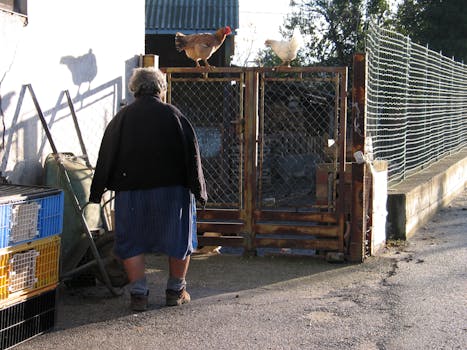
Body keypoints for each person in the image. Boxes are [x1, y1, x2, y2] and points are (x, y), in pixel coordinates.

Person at [89, 67, 207, 311]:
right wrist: (199, 190)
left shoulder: (122, 118)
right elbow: (192, 154)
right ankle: (175, 291)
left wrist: (97, 191)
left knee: (132, 240)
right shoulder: (174, 115)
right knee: (178, 238)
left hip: (131, 191)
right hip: (173, 191)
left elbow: (106, 154)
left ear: (134, 90)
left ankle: (139, 295)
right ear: (161, 89)